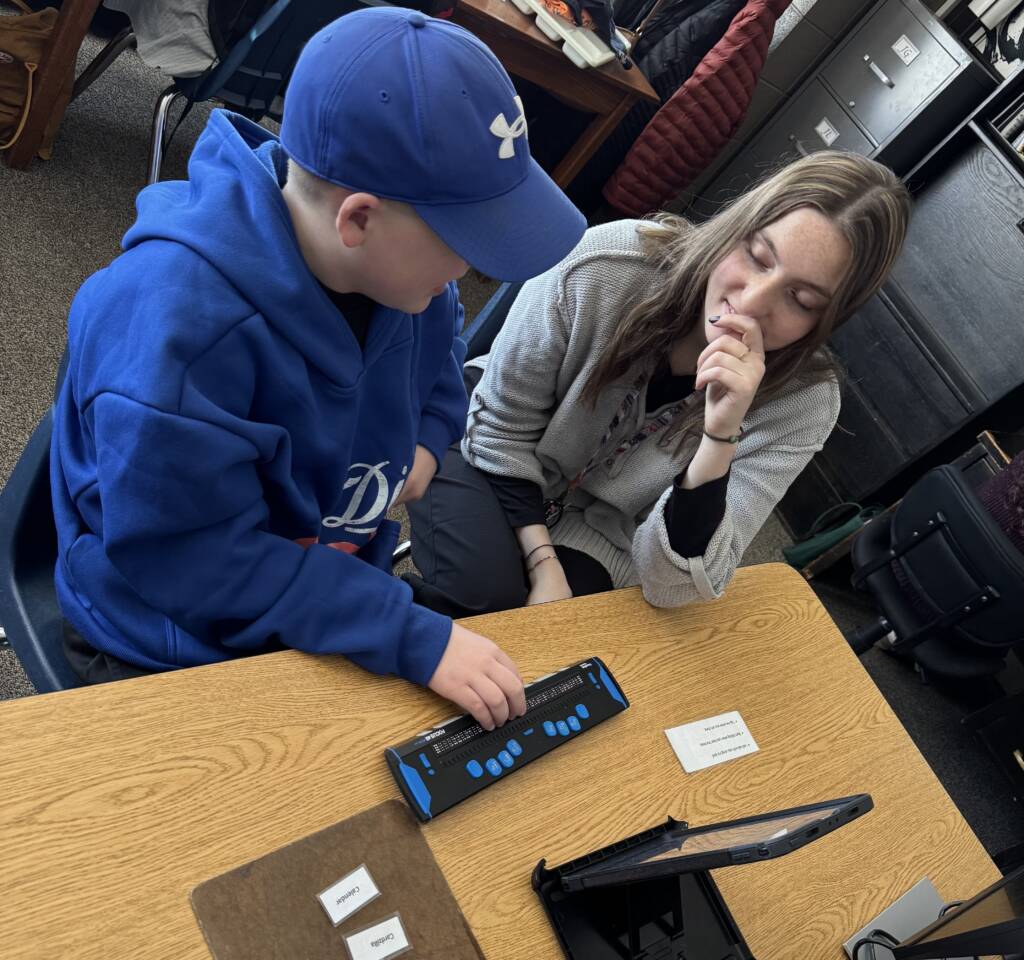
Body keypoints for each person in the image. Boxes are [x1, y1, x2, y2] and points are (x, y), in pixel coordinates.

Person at [50, 8, 587, 730]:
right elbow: (194, 561)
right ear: (358, 219)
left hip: (315, 579)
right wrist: (402, 633)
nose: (475, 267)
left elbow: (442, 358)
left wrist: (428, 438)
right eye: (465, 239)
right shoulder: (179, 338)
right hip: (164, 627)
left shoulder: (412, 283)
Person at [406, 151, 912, 615]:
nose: (754, 301)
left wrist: (719, 438)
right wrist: (543, 563)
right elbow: (500, 427)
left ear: (826, 321)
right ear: (737, 228)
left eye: (801, 300)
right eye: (758, 256)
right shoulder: (606, 264)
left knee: (555, 656)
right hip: (489, 445)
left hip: (598, 531)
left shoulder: (804, 403)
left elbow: (678, 585)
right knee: (487, 606)